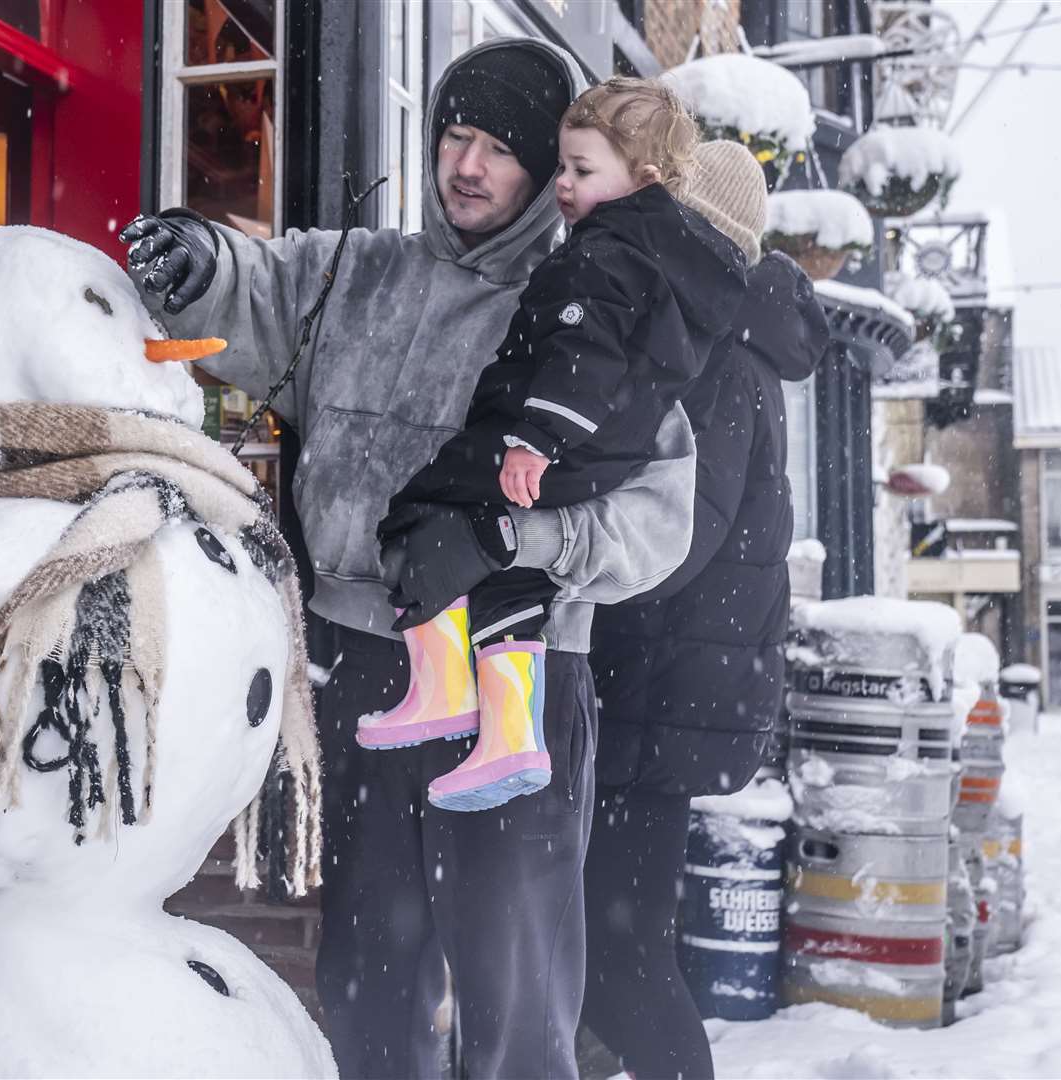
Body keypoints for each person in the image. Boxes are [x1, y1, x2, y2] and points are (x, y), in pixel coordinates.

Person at [120, 39, 697, 1080]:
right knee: (366, 972)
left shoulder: (592, 299)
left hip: (511, 672)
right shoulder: (362, 272)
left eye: (496, 149)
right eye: (452, 137)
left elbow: (657, 519)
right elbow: (260, 283)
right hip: (365, 671)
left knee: (511, 987)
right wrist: (198, 262)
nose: (463, 166)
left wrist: (505, 539)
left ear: (545, 168)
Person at [361, 78, 746, 815]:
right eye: (562, 167)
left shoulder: (602, 255)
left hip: (554, 440)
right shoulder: (668, 258)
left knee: (418, 515)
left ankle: (440, 691)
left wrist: (533, 439)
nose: (562, 185)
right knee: (513, 582)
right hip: (603, 451)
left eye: (581, 171)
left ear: (644, 180)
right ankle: (512, 739)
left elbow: (584, 353)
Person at [579, 140, 831, 1080]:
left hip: (651, 695)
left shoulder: (715, 352)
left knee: (619, 958)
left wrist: (562, 570)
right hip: (667, 693)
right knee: (609, 951)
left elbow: (678, 537)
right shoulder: (727, 340)